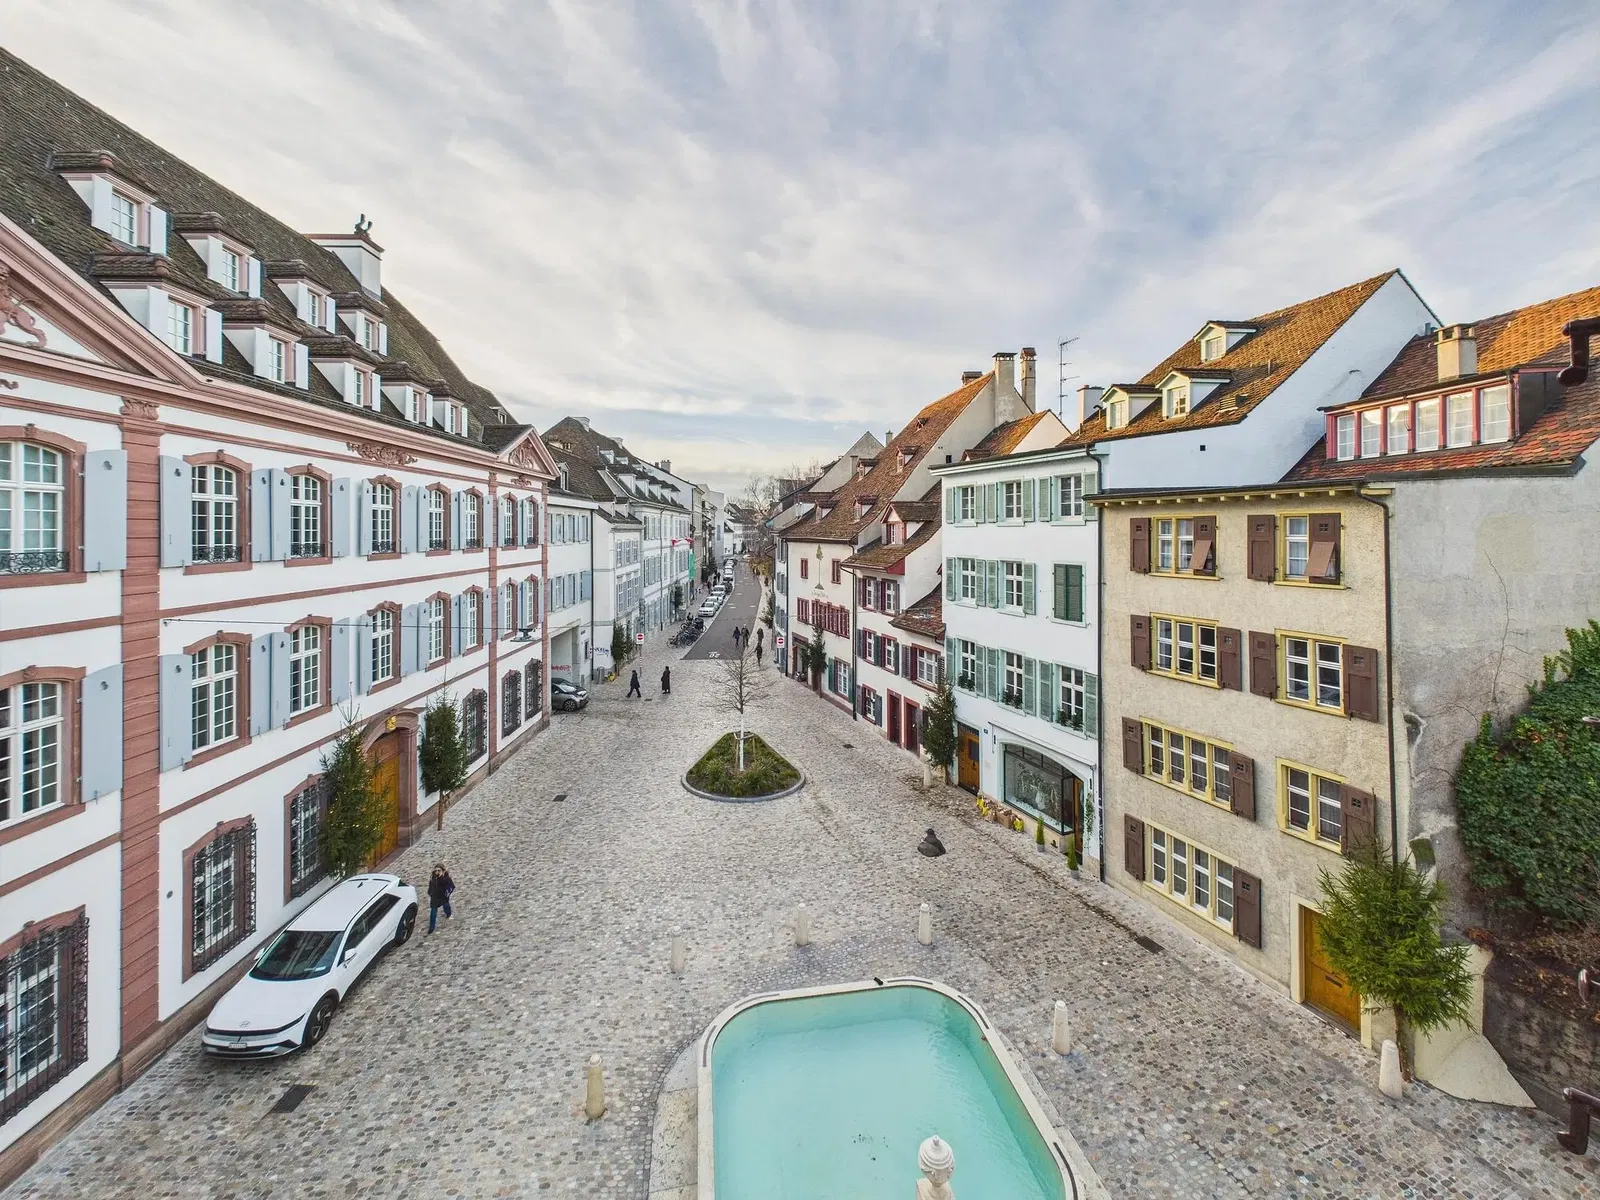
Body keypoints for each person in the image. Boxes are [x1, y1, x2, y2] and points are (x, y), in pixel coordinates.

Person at [427, 864, 455, 933]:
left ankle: (448, 913)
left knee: (446, 906)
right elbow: (431, 885)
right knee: (433, 912)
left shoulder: (446, 879)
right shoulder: (433, 877)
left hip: (443, 897)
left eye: (439, 870)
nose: (437, 872)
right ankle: (431, 927)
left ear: (443, 871)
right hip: (434, 897)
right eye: (436, 871)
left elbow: (451, 886)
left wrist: (447, 894)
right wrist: (430, 892)